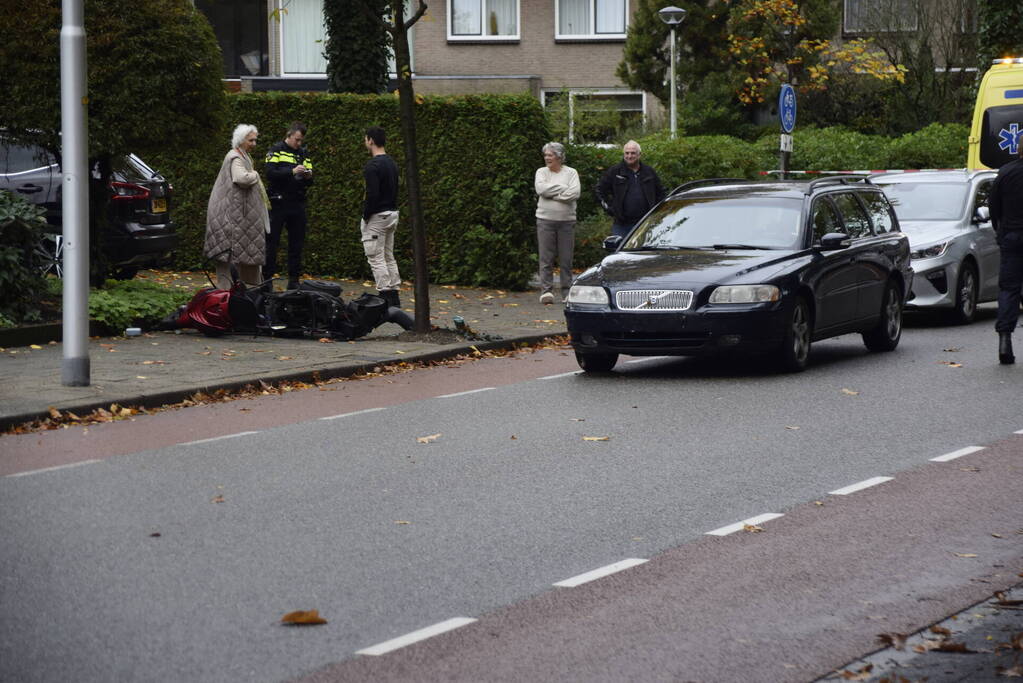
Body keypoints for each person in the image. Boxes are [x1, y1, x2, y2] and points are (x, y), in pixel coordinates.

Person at [203, 124, 270, 290]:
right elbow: (241, 178)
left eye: (255, 140)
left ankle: (237, 293)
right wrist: (255, 174)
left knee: (235, 255)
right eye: (251, 140)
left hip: (233, 215)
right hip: (230, 217)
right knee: (229, 255)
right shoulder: (236, 157)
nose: (254, 143)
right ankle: (227, 296)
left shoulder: (242, 155)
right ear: (241, 140)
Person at [264, 122, 314, 291]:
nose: (299, 143)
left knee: (297, 244)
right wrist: (292, 172)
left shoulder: (303, 153)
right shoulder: (276, 150)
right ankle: (267, 280)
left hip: (297, 203)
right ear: (289, 135)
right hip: (278, 203)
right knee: (272, 243)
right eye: (297, 140)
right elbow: (270, 173)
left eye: (301, 140)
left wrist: (308, 175)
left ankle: (294, 280)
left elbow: (311, 180)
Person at [534, 142, 580, 304]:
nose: (547, 158)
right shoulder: (541, 172)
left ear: (559, 157)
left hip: (567, 222)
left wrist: (553, 193)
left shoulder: (571, 172)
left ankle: (567, 292)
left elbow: (575, 192)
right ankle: (546, 291)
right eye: (546, 155)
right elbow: (541, 190)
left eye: (550, 155)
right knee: (546, 258)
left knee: (566, 259)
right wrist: (563, 189)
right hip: (545, 220)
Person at [989, 143, 1023, 364]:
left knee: (1009, 289)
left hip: (1012, 237)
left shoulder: (1006, 172)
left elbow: (993, 205)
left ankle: (1005, 341)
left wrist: (1000, 230)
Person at [361, 126, 401, 308]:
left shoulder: (373, 166)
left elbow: (372, 195)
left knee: (376, 258)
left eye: (365, 139)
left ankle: (384, 298)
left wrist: (366, 215)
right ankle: (394, 297)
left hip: (378, 216)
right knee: (388, 256)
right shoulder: (392, 163)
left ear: (370, 140)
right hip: (392, 214)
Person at [596, 140, 666, 240]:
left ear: (639, 154)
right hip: (622, 225)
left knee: (644, 254)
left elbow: (661, 193)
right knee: (620, 254)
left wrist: (656, 212)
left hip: (646, 223)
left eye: (633, 153)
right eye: (627, 153)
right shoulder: (615, 171)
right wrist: (611, 209)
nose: (629, 156)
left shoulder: (649, 172)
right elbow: (599, 190)